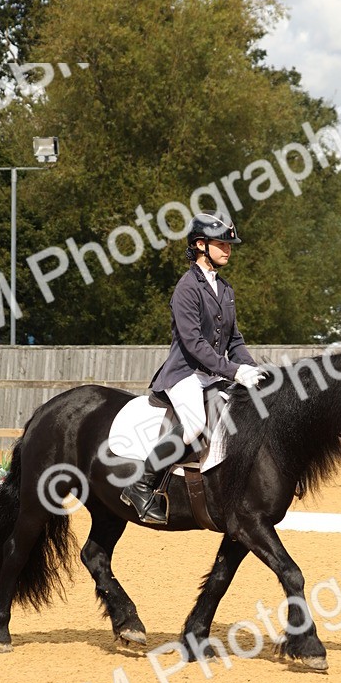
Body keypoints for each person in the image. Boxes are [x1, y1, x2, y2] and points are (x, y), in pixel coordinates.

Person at [120, 212, 265, 524]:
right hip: (184, 372)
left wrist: (253, 370)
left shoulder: (225, 289)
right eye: (222, 243)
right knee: (196, 425)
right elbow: (193, 344)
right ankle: (141, 483)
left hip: (213, 375)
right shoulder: (187, 287)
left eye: (229, 244)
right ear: (201, 244)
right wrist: (234, 371)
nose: (228, 249)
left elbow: (234, 340)